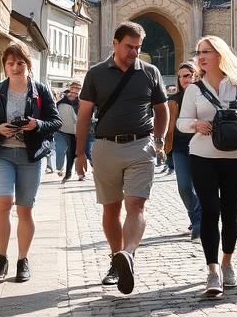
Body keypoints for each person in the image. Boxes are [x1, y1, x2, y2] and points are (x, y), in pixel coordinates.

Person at [74, 22, 168, 295]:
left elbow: (162, 110)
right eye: (129, 47)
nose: (134, 53)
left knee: (136, 204)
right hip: (105, 147)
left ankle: (128, 254)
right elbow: (83, 117)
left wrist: (159, 140)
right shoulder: (96, 74)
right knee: (111, 209)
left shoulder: (150, 72)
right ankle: (117, 261)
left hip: (141, 147)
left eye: (138, 48)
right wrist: (79, 153)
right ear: (114, 43)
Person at [176, 36, 237, 298]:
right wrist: (195, 125)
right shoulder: (193, 89)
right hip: (202, 156)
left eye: (206, 52)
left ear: (220, 55)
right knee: (210, 211)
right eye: (199, 52)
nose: (200, 57)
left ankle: (227, 262)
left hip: (235, 157)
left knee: (230, 211)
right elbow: (181, 122)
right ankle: (212, 270)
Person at [0, 42, 61, 282]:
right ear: (4, 67)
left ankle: (22, 260)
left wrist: (37, 124)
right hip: (1, 154)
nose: (16, 67)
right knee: (3, 202)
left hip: (30, 156)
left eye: (20, 63)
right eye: (11, 63)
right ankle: (1, 258)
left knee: (25, 209)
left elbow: (55, 122)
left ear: (28, 65)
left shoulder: (41, 91)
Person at [165, 61, 202, 242]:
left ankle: (199, 223)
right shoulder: (172, 100)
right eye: (180, 76)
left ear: (195, 74)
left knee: (202, 187)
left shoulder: (204, 96)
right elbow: (167, 124)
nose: (183, 80)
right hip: (180, 148)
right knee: (185, 187)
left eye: (187, 75)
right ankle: (197, 219)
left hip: (202, 147)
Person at [57, 81, 82, 182]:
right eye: (73, 88)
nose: (75, 90)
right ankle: (60, 168)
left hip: (74, 132)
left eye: (77, 88)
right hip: (60, 130)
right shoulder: (62, 98)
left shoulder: (81, 102)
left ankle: (68, 174)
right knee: (60, 149)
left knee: (71, 153)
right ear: (70, 88)